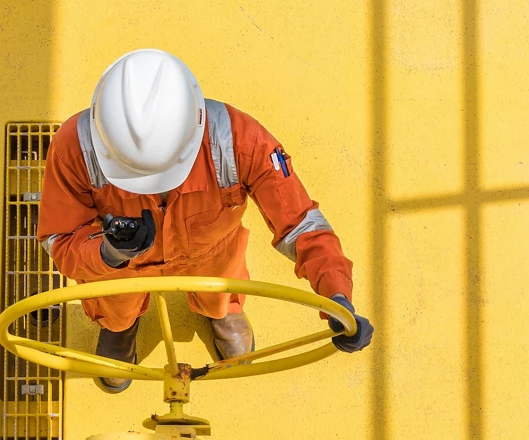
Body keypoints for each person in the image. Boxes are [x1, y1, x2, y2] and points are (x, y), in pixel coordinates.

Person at [38, 49, 375, 392]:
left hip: (211, 255)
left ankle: (221, 309)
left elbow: (300, 224)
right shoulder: (73, 149)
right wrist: (108, 254)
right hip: (121, 268)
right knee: (115, 302)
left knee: (219, 286)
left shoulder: (241, 142)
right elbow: (60, 239)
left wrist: (336, 295)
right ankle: (119, 325)